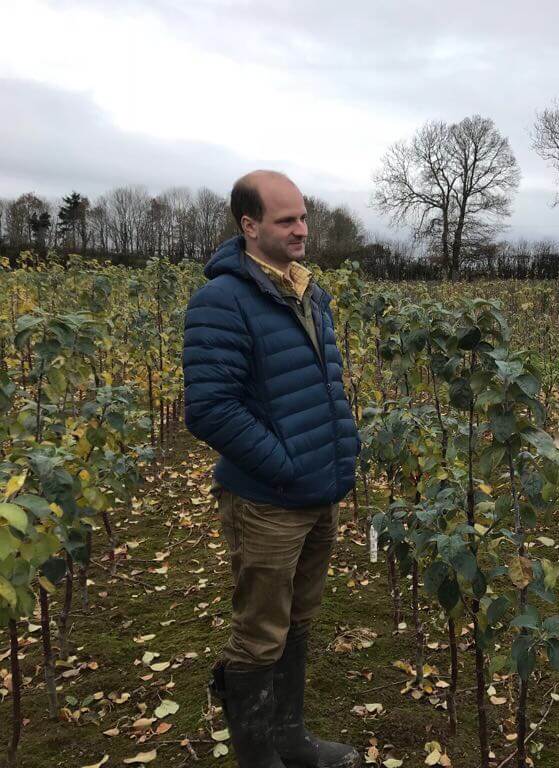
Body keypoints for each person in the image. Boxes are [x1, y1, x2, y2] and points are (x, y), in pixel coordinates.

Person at [183, 170, 361, 768]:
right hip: (266, 501)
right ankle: (257, 756)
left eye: (303, 217)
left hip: (318, 490)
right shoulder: (222, 301)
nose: (301, 229)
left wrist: (338, 451)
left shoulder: (308, 292)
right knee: (260, 633)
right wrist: (283, 465)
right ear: (249, 225)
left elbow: (319, 386)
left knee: (298, 621)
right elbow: (210, 408)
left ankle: (290, 739)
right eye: (286, 220)